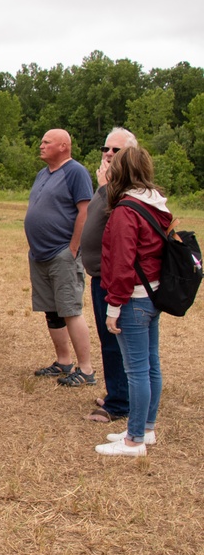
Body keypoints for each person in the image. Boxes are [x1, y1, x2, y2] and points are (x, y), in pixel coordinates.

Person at [95, 146, 170, 457]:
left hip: (134, 299)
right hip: (152, 295)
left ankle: (134, 439)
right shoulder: (156, 205)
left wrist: (114, 306)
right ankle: (146, 428)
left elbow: (122, 263)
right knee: (151, 365)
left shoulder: (127, 210)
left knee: (136, 370)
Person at [25, 129, 95, 386]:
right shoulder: (43, 174)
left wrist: (73, 248)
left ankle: (86, 370)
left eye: (46, 142)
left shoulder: (76, 172)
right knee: (52, 311)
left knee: (70, 310)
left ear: (63, 146)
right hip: (40, 255)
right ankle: (63, 361)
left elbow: (84, 211)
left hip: (62, 254)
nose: (41, 145)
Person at [81, 128, 137, 422]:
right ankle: (118, 392)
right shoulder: (111, 185)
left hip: (113, 278)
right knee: (109, 339)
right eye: (106, 149)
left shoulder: (123, 189)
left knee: (117, 340)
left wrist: (103, 187)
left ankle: (119, 403)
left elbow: (113, 219)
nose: (109, 154)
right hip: (100, 275)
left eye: (117, 150)